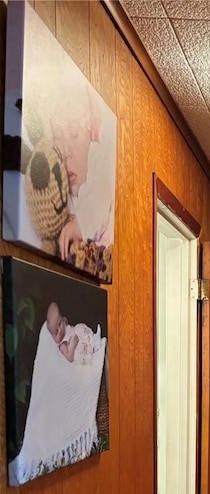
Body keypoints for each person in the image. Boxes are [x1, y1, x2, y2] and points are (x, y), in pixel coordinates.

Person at [49, 82, 116, 262]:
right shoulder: (61, 180)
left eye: (74, 135)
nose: (66, 151)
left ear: (90, 134)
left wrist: (80, 225)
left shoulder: (98, 157)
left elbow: (100, 198)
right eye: (57, 138)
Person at [46, 301, 101, 365]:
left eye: (59, 323)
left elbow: (65, 321)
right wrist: (73, 345)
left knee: (80, 326)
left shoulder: (63, 325)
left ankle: (93, 340)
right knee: (79, 352)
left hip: (78, 335)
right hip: (76, 347)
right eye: (56, 332)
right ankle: (92, 351)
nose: (60, 330)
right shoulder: (63, 345)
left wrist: (64, 322)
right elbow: (69, 358)